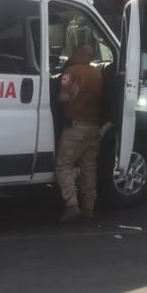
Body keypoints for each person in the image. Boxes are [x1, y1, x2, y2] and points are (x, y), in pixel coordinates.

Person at [55, 44, 104, 222]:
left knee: (63, 165)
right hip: (93, 127)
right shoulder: (97, 73)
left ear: (77, 53)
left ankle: (71, 204)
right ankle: (89, 208)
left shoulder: (70, 72)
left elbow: (64, 95)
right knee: (88, 168)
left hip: (75, 127)